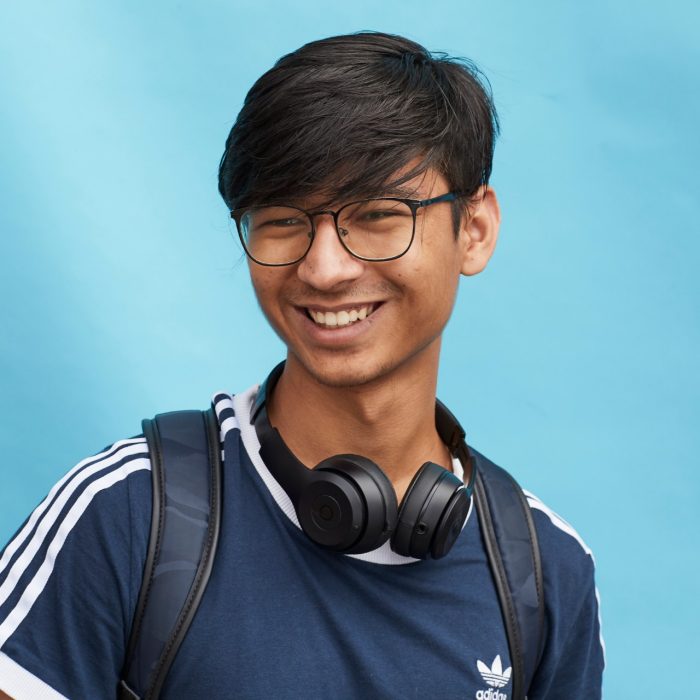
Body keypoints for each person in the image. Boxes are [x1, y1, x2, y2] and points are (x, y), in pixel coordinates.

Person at [0, 31, 604, 700]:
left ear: (475, 229)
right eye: (283, 219)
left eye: (377, 214)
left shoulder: (544, 572)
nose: (323, 269)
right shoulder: (124, 515)